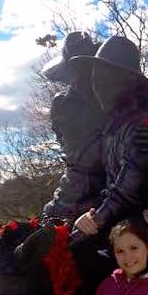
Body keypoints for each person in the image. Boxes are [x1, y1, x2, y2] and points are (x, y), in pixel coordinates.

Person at [69, 36, 148, 240]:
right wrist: (85, 216)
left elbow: (125, 193)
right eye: (95, 82)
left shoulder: (144, 123)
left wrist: (82, 232)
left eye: (106, 81)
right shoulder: (114, 123)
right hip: (122, 225)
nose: (99, 89)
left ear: (127, 82)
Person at [39, 31, 108, 225]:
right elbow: (68, 146)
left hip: (113, 185)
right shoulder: (63, 104)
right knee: (50, 221)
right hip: (76, 185)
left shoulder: (116, 101)